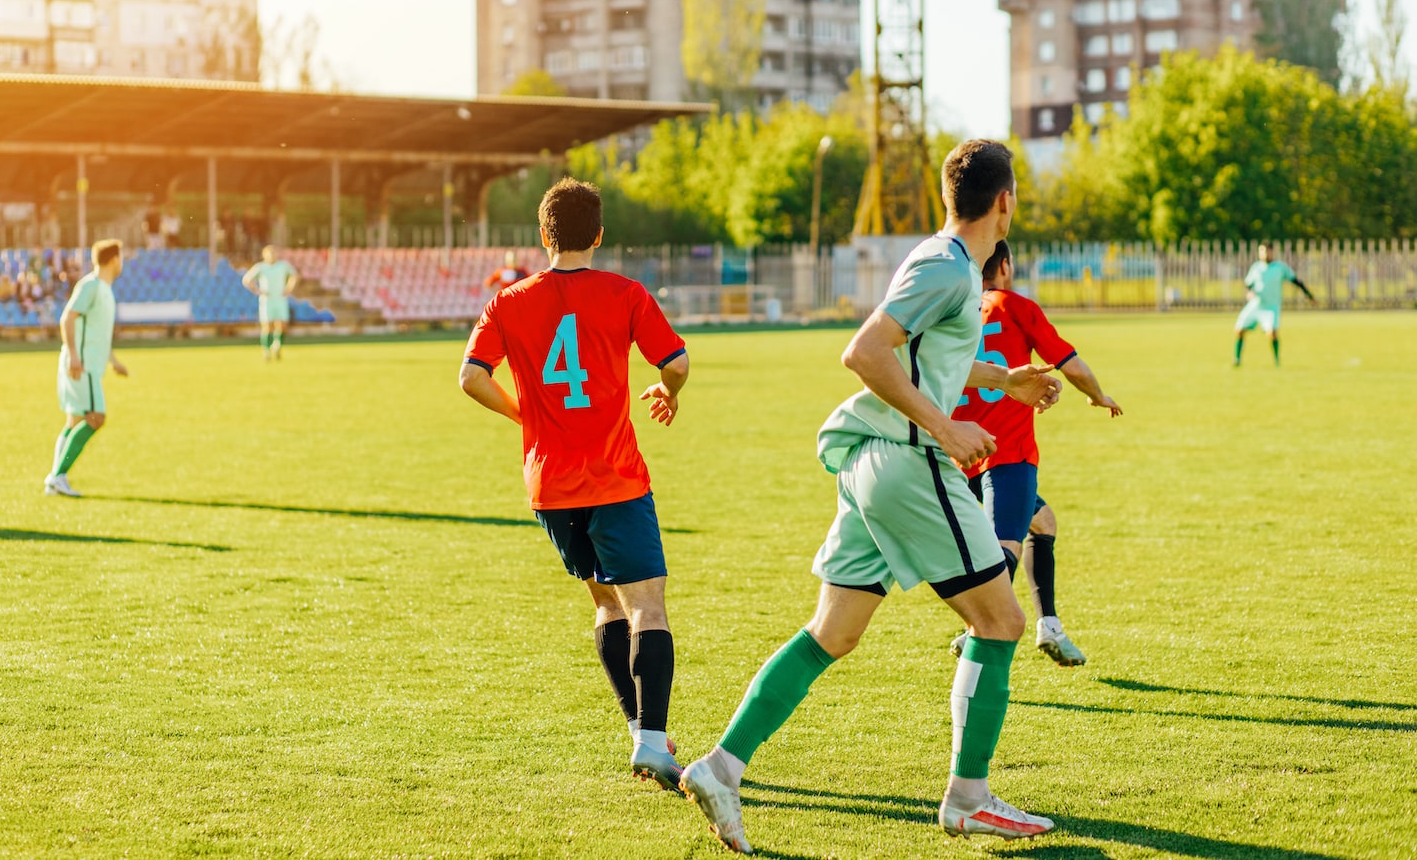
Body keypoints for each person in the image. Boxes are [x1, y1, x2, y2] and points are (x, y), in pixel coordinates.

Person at [678, 140, 1062, 854]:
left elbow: (928, 355)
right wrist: (946, 426)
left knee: (835, 630)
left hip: (876, 460)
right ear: (1004, 199)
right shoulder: (948, 267)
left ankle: (720, 766)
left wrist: (1003, 380)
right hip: (909, 462)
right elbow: (864, 351)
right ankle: (968, 798)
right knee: (1001, 622)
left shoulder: (944, 263)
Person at [459, 177, 691, 791]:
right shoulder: (625, 292)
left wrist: (525, 414)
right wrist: (667, 392)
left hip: (550, 486)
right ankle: (650, 743)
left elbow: (471, 377)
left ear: (543, 235)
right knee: (647, 605)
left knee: (606, 603)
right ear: (599, 234)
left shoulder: (508, 301)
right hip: (614, 476)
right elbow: (677, 363)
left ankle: (643, 730)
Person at [950, 240, 1123, 668]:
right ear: (1005, 265)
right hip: (1008, 453)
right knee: (1003, 546)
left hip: (966, 451)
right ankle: (975, 631)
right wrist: (1098, 396)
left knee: (1042, 522)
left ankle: (1049, 625)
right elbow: (1072, 365)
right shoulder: (1015, 306)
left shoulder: (959, 311)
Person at [44, 239, 129, 497]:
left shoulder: (103, 289)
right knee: (96, 418)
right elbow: (67, 317)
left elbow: (97, 333)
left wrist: (114, 361)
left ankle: (56, 478)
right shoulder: (91, 285)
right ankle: (57, 475)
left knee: (75, 420)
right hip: (83, 367)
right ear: (114, 259)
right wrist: (73, 355)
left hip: (88, 365)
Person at [1234, 242, 1316, 367]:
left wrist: (1309, 296)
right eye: (1262, 251)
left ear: (1272, 252)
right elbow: (1247, 284)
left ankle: (1277, 360)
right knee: (1239, 330)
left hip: (1271, 307)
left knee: (1272, 333)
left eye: (1267, 251)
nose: (1265, 254)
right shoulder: (1256, 267)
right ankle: (1237, 359)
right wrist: (1249, 293)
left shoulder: (1280, 267)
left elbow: (1296, 281)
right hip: (1256, 305)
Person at [242, 245, 299, 361]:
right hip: (267, 300)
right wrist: (257, 290)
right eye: (270, 253)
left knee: (282, 325)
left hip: (280, 299)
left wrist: (289, 288)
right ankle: (266, 351)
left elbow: (295, 275)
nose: (272, 256)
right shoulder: (261, 267)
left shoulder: (283, 266)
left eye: (274, 253)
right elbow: (246, 280)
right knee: (267, 327)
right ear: (264, 255)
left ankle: (277, 346)